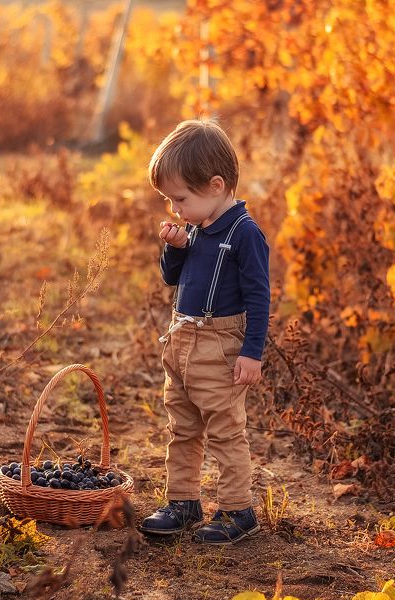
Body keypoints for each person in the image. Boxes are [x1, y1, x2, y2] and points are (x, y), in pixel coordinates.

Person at [138, 119, 270, 544]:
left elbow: (258, 297)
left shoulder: (245, 234)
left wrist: (252, 352)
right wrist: (174, 249)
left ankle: (237, 509)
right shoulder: (194, 229)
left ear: (216, 185)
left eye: (180, 198)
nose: (175, 209)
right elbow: (171, 280)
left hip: (221, 345)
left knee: (225, 428)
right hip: (181, 339)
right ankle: (183, 500)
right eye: (169, 200)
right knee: (183, 424)